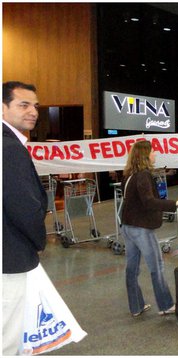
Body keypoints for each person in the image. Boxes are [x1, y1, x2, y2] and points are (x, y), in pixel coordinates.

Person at [2, 81, 48, 354]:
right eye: (23, 105)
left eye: (35, 105)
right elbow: (24, 207)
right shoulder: (9, 149)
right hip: (11, 257)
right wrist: (38, 241)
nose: (33, 111)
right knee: (9, 339)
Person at [120, 140, 178, 317]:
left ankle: (136, 306)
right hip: (141, 228)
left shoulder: (129, 175)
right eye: (152, 150)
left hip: (127, 226)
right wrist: (175, 204)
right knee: (156, 266)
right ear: (145, 155)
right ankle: (165, 305)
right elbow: (148, 201)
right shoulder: (143, 175)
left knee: (132, 268)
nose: (155, 153)